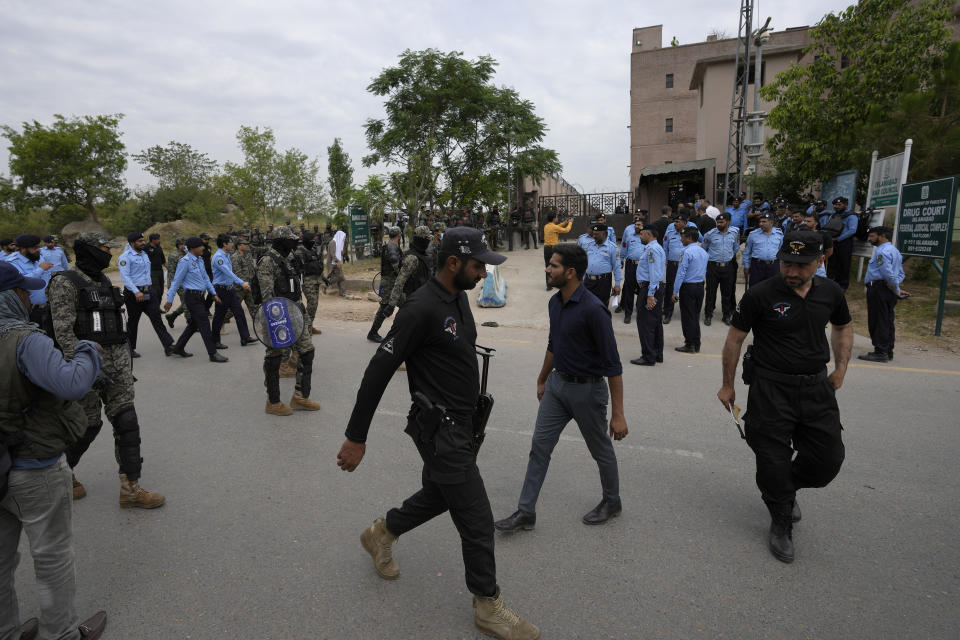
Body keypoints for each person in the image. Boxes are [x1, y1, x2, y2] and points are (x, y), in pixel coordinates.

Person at [337, 227, 539, 640]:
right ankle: (487, 604)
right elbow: (377, 370)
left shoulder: (457, 298)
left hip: (462, 426)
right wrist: (357, 437)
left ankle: (382, 532)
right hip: (442, 431)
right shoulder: (421, 308)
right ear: (453, 264)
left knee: (439, 495)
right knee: (478, 519)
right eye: (478, 264)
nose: (484, 272)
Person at [717, 230, 851, 563]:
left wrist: (841, 368)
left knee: (827, 461)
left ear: (819, 261)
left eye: (801, 265)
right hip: (770, 388)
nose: (792, 271)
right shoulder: (761, 295)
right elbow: (734, 340)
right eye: (786, 263)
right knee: (772, 460)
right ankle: (780, 521)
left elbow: (842, 326)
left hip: (816, 388)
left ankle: (786, 491)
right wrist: (728, 384)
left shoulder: (831, 292)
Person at [0, 260, 108, 640]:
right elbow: (71, 384)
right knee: (52, 557)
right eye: (24, 291)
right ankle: (60, 633)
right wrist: (86, 350)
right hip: (34, 466)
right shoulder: (25, 340)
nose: (29, 297)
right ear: (10, 297)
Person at [496, 243, 627, 533]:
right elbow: (555, 345)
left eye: (552, 265)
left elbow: (613, 366)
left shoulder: (594, 310)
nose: (547, 269)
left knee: (600, 450)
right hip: (557, 387)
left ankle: (612, 500)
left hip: (587, 391)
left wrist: (618, 413)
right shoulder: (555, 303)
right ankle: (526, 511)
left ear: (570, 272)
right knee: (539, 448)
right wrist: (543, 378)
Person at [49, 231, 165, 508]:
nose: (108, 253)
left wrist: (126, 357)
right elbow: (63, 333)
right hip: (85, 368)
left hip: (118, 364)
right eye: (103, 247)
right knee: (86, 426)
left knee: (127, 422)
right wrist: (85, 364)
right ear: (88, 250)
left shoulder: (102, 280)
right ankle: (60, 473)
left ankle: (131, 488)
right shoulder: (65, 282)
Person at [257, 226, 319, 416]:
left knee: (307, 352)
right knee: (274, 357)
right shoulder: (268, 261)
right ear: (280, 241)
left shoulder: (289, 259)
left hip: (296, 312)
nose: (294, 243)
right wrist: (276, 323)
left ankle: (300, 396)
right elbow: (268, 297)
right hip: (278, 317)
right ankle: (273, 401)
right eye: (290, 240)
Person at [162, 237, 228, 364]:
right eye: (200, 246)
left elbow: (206, 278)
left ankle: (178, 347)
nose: (203, 248)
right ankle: (212, 353)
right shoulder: (185, 261)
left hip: (200, 296)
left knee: (194, 324)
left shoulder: (200, 260)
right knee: (204, 323)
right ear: (193, 248)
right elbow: (176, 281)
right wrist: (169, 299)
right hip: (191, 297)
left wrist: (213, 293)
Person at [118, 232, 174, 358]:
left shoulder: (144, 254)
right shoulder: (125, 257)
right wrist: (136, 291)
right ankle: (130, 348)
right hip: (134, 294)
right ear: (132, 243)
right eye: (140, 241)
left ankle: (169, 346)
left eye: (143, 240)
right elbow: (125, 277)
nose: (144, 243)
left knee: (157, 319)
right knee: (133, 322)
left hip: (149, 291)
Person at [859, 226, 906, 363]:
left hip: (879, 288)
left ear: (883, 236)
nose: (869, 239)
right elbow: (901, 273)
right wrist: (896, 288)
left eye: (872, 236)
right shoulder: (895, 251)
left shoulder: (882, 252)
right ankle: (887, 350)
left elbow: (887, 272)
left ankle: (880, 352)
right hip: (887, 289)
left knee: (878, 320)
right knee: (887, 320)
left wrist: (892, 283)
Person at [210, 234, 257, 348]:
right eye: (230, 242)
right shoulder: (218, 257)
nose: (232, 244)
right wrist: (242, 282)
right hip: (221, 290)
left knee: (239, 313)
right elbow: (228, 272)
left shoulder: (226, 255)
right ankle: (215, 341)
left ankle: (245, 337)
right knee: (219, 316)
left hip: (230, 289)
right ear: (224, 244)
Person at [629, 227, 666, 366]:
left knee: (646, 323)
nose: (640, 237)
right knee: (655, 322)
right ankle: (656, 354)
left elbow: (654, 273)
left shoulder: (652, 249)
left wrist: (650, 295)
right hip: (653, 288)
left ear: (648, 234)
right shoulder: (654, 248)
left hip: (650, 289)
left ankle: (648, 356)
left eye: (642, 234)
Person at [3, 234, 53, 325]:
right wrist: (40, 270)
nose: (38, 249)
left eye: (39, 246)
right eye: (34, 248)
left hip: (49, 307)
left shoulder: (39, 257)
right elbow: (20, 281)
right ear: (23, 249)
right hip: (30, 311)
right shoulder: (12, 263)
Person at [672, 228, 708, 353]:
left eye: (682, 237)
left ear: (688, 238)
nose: (681, 239)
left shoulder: (686, 252)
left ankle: (689, 344)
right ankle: (696, 343)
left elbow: (681, 273)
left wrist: (675, 291)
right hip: (700, 286)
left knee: (688, 317)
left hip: (688, 287)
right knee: (695, 316)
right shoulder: (703, 251)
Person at [702, 212, 740, 326]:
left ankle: (726, 315)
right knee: (710, 292)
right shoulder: (710, 234)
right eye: (717, 222)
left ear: (728, 222)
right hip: (713, 267)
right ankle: (708, 315)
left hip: (728, 267)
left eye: (721, 222)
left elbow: (735, 248)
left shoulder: (733, 233)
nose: (719, 224)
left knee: (727, 293)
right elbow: (704, 249)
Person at [662, 214, 701, 324]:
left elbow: (700, 241)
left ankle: (687, 313)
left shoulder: (690, 234)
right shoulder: (669, 234)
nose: (675, 224)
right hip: (672, 265)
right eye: (675, 222)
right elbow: (665, 248)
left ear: (684, 223)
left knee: (686, 289)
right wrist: (665, 262)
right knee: (670, 288)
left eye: (678, 222)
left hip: (687, 266)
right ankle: (667, 313)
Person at [367, 227, 404, 343]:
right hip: (390, 282)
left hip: (391, 281)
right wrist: (404, 276)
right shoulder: (392, 247)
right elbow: (396, 265)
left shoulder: (391, 245)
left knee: (405, 304)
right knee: (385, 307)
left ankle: (400, 332)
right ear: (398, 235)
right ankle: (373, 333)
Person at [582, 222, 622, 308]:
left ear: (604, 234)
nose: (593, 236)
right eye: (593, 234)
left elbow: (617, 267)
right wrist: (582, 278)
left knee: (601, 307)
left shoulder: (612, 248)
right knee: (587, 306)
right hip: (588, 281)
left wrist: (617, 284)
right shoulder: (589, 246)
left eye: (596, 234)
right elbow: (585, 263)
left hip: (603, 282)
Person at [823, 197, 858, 290]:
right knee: (831, 264)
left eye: (839, 205)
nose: (836, 206)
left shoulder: (851, 216)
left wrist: (838, 239)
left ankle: (843, 286)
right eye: (835, 205)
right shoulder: (833, 215)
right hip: (833, 242)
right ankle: (831, 283)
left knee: (844, 264)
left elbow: (852, 230)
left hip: (844, 243)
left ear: (845, 205)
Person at [742, 213, 784, 287]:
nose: (761, 224)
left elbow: (781, 252)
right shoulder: (753, 234)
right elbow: (747, 252)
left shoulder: (779, 234)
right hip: (757, 266)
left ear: (771, 222)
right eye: (760, 222)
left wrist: (781, 267)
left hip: (774, 266)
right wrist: (746, 266)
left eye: (764, 222)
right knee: (755, 289)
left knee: (773, 289)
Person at [295, 232, 324, 335]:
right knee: (312, 302)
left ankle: (309, 325)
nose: (313, 242)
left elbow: (316, 265)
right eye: (312, 241)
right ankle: (306, 326)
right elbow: (298, 267)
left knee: (315, 304)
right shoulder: (299, 251)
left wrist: (323, 278)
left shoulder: (312, 250)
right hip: (306, 281)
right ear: (306, 241)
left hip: (316, 280)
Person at [619, 215, 645, 322]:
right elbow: (624, 248)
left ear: (643, 226)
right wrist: (621, 259)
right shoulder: (630, 237)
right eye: (635, 225)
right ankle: (628, 313)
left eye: (639, 225)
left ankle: (641, 311)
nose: (636, 226)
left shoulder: (646, 238)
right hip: (631, 265)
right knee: (629, 288)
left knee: (642, 289)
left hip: (643, 266)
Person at [542, 211, 573, 290]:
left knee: (548, 266)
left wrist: (564, 222)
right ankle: (558, 282)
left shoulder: (546, 226)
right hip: (553, 249)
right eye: (556, 217)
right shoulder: (554, 227)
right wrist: (570, 223)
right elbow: (566, 230)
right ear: (554, 218)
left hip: (546, 248)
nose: (557, 218)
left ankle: (549, 285)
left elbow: (557, 227)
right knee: (557, 265)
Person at [232, 237, 259, 320]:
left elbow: (252, 269)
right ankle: (220, 324)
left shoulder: (247, 255)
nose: (247, 246)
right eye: (244, 244)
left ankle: (259, 325)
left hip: (249, 286)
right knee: (232, 309)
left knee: (253, 307)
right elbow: (238, 273)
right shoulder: (235, 257)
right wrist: (245, 284)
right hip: (240, 287)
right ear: (239, 246)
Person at [164, 238, 188, 328]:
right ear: (178, 245)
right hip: (177, 283)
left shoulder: (187, 254)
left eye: (185, 244)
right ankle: (190, 322)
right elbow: (171, 271)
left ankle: (172, 316)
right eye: (182, 244)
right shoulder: (174, 255)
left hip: (186, 282)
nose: (184, 246)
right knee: (186, 302)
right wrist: (175, 284)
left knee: (187, 302)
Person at [323, 230, 346, 297]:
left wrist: (341, 253)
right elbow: (333, 255)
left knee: (339, 278)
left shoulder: (337, 243)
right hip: (333, 264)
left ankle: (341, 292)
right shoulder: (333, 242)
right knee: (340, 278)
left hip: (336, 263)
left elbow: (337, 254)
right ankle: (341, 292)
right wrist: (338, 261)